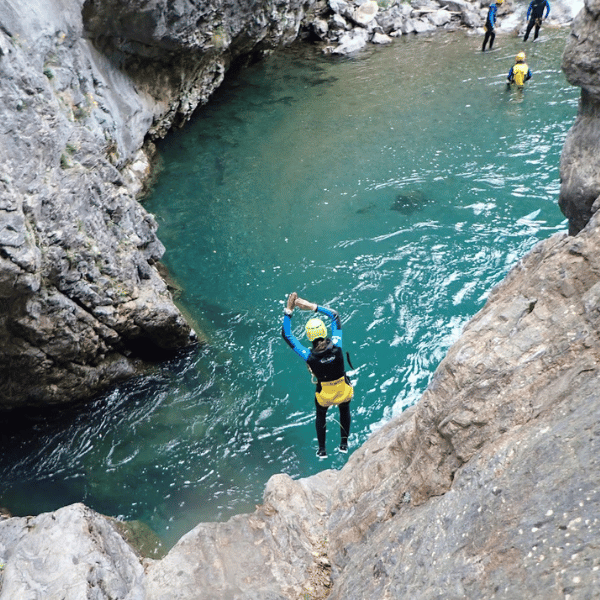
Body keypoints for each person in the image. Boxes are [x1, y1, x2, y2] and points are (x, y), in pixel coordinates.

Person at [281, 292, 354, 459]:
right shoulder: (337, 343)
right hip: (343, 391)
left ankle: (322, 449)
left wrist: (289, 310)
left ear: (308, 336)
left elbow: (287, 335)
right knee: (344, 409)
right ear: (324, 330)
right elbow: (335, 315)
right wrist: (310, 306)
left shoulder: (307, 354)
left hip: (324, 395)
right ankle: (343, 444)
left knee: (321, 414)